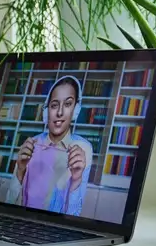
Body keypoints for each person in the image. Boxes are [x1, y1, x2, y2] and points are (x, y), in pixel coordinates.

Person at [5, 75, 92, 215]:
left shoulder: (83, 149)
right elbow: (8, 204)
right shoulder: (31, 144)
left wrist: (76, 180)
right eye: (54, 105)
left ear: (75, 110)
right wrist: (20, 170)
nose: (59, 112)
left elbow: (74, 214)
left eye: (68, 104)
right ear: (46, 112)